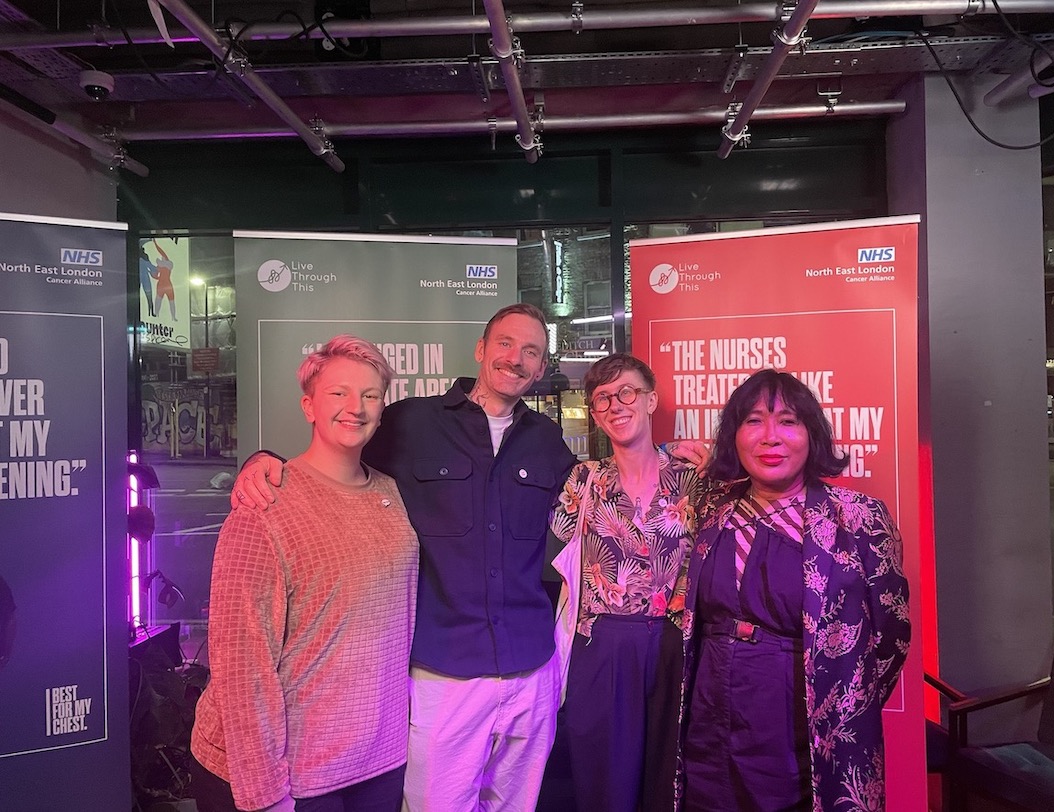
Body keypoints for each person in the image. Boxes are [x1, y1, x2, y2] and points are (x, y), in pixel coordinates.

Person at [233, 304, 578, 811]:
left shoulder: (548, 440)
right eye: (505, 343)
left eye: (532, 351)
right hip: (443, 674)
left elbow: (606, 500)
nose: (516, 359)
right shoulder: (412, 422)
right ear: (481, 350)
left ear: (542, 367)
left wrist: (672, 459)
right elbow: (336, 452)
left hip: (532, 670)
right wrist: (265, 462)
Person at [190, 335, 419, 812]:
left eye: (370, 395)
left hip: (376, 761)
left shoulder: (394, 495)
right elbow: (240, 661)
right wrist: (264, 792)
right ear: (309, 405)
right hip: (287, 774)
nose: (355, 407)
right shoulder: (264, 504)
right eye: (338, 393)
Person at [678, 369, 910, 812]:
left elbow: (892, 637)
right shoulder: (713, 510)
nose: (770, 437)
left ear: (812, 434)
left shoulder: (857, 518)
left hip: (797, 718)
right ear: (734, 435)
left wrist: (840, 701)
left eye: (787, 421)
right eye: (752, 421)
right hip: (710, 711)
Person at [550, 353, 704, 812]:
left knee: (670, 773)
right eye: (602, 399)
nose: (616, 404)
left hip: (675, 641)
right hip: (603, 643)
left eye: (627, 392)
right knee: (604, 778)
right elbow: (556, 547)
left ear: (651, 399)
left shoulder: (693, 476)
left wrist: (717, 456)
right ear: (595, 416)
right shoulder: (585, 479)